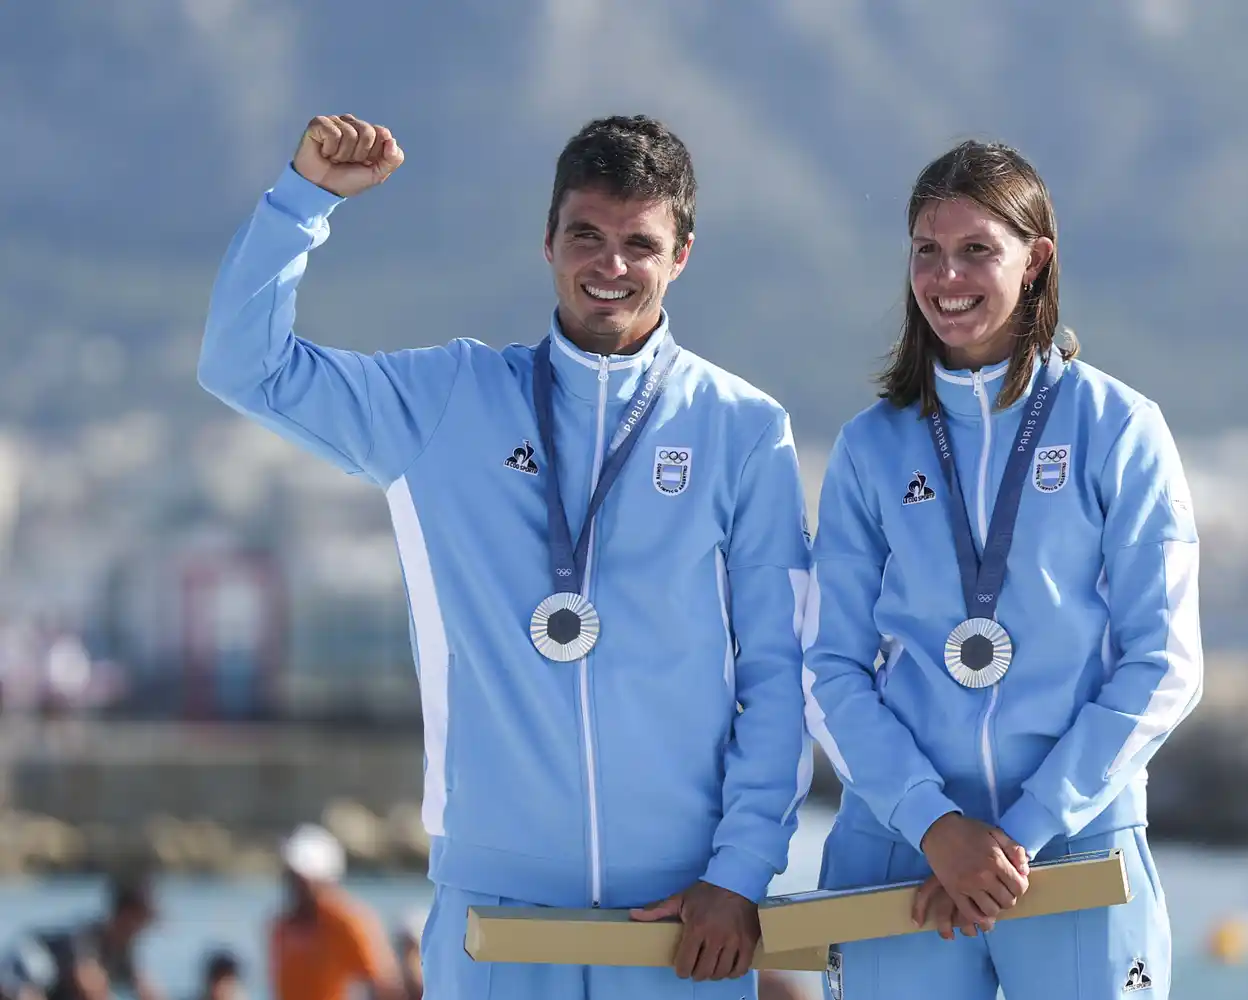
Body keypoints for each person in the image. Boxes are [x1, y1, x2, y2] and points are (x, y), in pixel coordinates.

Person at [198, 114, 811, 999]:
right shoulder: (444, 401)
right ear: (548, 241)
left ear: (681, 253)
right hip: (497, 915)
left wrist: (741, 873)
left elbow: (779, 670)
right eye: (586, 236)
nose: (611, 265)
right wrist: (304, 201)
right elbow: (242, 367)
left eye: (640, 243)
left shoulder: (743, 430)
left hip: (683, 916)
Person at [802, 139, 1203, 999]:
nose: (948, 276)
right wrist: (935, 825)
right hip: (899, 857)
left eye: (977, 248)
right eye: (927, 251)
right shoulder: (872, 448)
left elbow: (1162, 663)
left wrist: (1014, 836)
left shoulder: (1119, 428)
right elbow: (829, 667)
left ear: (1037, 259)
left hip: (1072, 854)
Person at [268, 824, 403, 1000]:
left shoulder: (348, 922)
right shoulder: (281, 927)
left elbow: (385, 986)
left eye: (300, 877)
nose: (293, 883)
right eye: (291, 875)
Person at [0, 872, 165, 1000]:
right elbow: (91, 988)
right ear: (126, 915)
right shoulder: (86, 937)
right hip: (26, 967)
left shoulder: (124, 949)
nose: (145, 928)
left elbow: (146, 988)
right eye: (143, 918)